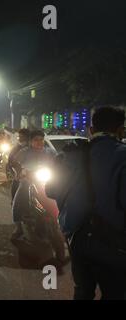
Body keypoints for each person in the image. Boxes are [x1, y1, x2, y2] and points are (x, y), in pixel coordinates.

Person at [53, 107, 126, 300]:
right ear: (121, 130)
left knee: (83, 291)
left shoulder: (71, 153)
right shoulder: (122, 155)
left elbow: (51, 190)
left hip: (77, 237)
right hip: (115, 243)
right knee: (114, 293)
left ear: (91, 129)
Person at [10, 129, 66, 268]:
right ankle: (17, 226)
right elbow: (15, 163)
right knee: (18, 200)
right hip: (28, 182)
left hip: (47, 182)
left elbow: (59, 161)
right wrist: (20, 172)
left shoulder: (49, 152)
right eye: (36, 140)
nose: (39, 142)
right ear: (30, 141)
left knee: (63, 198)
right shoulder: (24, 152)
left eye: (41, 139)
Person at [7, 129, 30, 201]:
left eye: (21, 136)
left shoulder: (36, 148)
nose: (19, 138)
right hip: (20, 176)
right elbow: (11, 160)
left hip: (34, 177)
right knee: (15, 193)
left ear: (27, 137)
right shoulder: (17, 148)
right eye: (19, 136)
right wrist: (16, 172)